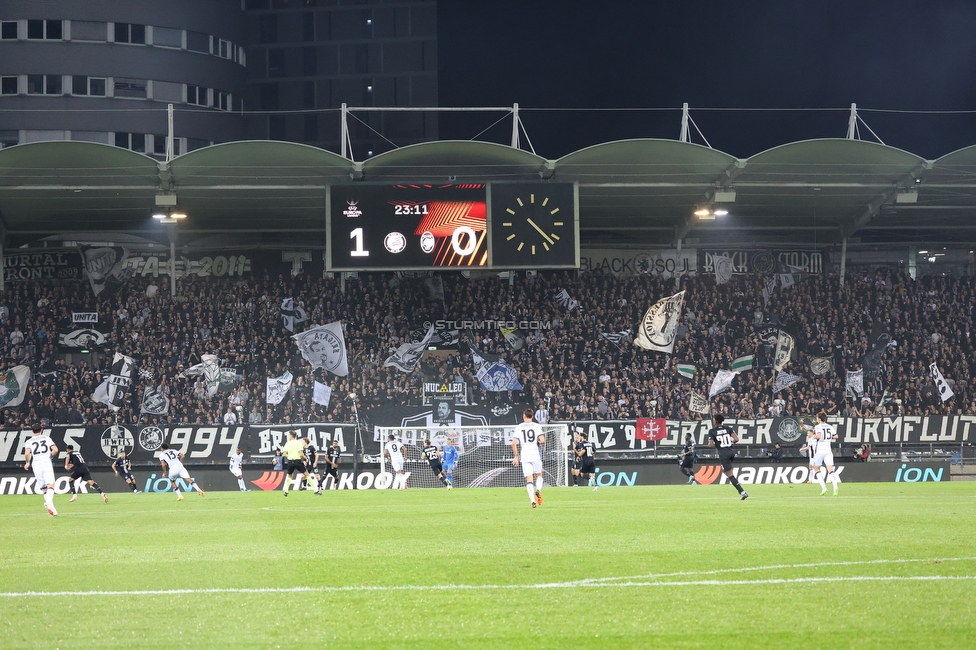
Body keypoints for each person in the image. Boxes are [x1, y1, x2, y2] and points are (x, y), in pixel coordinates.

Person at [707, 413, 748, 500]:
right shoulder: (728, 428)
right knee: (723, 470)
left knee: (730, 474)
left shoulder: (712, 431)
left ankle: (742, 492)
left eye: (714, 419)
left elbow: (710, 445)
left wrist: (715, 443)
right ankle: (735, 481)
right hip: (730, 452)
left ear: (716, 421)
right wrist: (729, 444)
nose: (713, 420)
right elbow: (736, 439)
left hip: (723, 454)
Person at [511, 408, 545, 508]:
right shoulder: (537, 426)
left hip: (525, 455)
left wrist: (516, 456)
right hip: (535, 454)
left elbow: (513, 443)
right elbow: (542, 440)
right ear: (533, 416)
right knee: (539, 475)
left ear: (524, 416)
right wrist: (539, 443)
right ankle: (538, 489)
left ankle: (532, 502)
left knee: (529, 479)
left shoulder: (519, 427)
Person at [23, 423, 59, 516]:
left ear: (32, 431)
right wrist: (50, 456)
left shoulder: (29, 441)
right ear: (41, 430)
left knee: (44, 488)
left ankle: (52, 508)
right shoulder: (46, 438)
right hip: (46, 463)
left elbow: (27, 454)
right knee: (51, 485)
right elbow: (55, 450)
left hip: (36, 465)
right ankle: (49, 502)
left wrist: (27, 463)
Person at [811, 410, 840, 495]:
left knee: (816, 468)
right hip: (828, 450)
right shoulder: (829, 426)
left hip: (820, 450)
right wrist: (829, 437)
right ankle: (835, 487)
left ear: (819, 419)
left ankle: (824, 488)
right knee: (830, 469)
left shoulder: (818, 427)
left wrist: (813, 436)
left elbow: (819, 436)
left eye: (817, 418)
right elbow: (836, 436)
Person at [281, 431, 311, 496]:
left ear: (291, 435)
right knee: (307, 474)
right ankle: (316, 490)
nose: (288, 436)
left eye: (289, 435)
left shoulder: (287, 443)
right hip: (297, 461)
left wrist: (290, 457)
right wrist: (305, 458)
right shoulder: (298, 443)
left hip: (290, 461)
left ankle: (286, 490)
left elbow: (284, 454)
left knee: (290, 476)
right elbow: (301, 454)